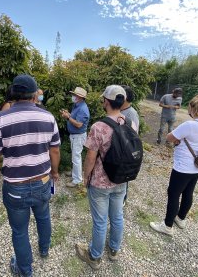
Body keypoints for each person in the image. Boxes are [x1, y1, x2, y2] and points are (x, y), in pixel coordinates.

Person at [0, 74, 60, 277]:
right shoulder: (48, 116)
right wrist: (55, 172)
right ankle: (44, 249)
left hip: (16, 186)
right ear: (35, 95)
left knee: (19, 230)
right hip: (43, 181)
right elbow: (55, 151)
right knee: (43, 216)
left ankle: (25, 270)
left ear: (13, 94)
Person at [75, 85, 136, 270]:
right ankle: (114, 250)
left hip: (100, 182)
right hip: (121, 179)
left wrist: (86, 177)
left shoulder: (98, 127)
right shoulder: (128, 122)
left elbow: (91, 157)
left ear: (106, 102)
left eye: (103, 99)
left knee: (100, 221)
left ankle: (95, 257)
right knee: (117, 217)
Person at [150, 95, 198, 236]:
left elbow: (169, 137)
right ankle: (180, 218)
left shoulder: (190, 125)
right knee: (188, 192)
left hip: (184, 167)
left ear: (194, 108)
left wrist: (178, 139)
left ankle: (167, 226)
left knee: (173, 194)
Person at [60, 87, 90, 188]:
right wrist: (68, 114)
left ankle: (77, 180)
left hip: (78, 136)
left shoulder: (83, 109)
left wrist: (68, 117)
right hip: (75, 136)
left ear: (80, 97)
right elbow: (74, 118)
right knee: (75, 156)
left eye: (75, 95)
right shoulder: (77, 105)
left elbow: (78, 124)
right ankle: (74, 173)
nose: (73, 96)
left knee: (76, 157)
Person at [120, 85, 140, 205]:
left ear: (125, 98)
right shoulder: (121, 110)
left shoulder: (131, 113)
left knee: (124, 177)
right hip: (119, 150)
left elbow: (133, 135)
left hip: (125, 151)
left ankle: (123, 199)